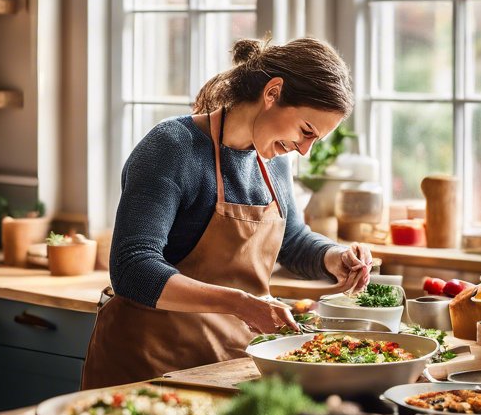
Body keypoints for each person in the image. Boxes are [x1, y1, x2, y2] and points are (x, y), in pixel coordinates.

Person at [81, 36, 373, 390]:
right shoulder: (172, 147)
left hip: (226, 363)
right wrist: (241, 304)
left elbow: (292, 239)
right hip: (147, 366)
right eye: (305, 131)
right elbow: (132, 268)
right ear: (272, 93)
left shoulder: (273, 161)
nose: (305, 150)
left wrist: (333, 256)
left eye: (315, 140)